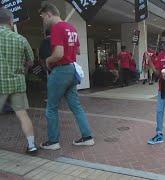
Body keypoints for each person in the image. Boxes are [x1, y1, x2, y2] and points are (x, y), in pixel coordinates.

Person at [39, 2, 94, 150]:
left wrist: (48, 61)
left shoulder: (57, 27)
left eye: (43, 17)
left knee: (51, 107)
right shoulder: (72, 27)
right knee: (76, 106)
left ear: (49, 14)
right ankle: (87, 137)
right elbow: (77, 51)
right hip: (71, 69)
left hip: (60, 70)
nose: (43, 21)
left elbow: (58, 54)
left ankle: (53, 141)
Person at [0, 7, 38, 154]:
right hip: (17, 83)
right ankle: (31, 145)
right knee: (22, 114)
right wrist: (22, 68)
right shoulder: (21, 39)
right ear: (10, 21)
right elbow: (31, 62)